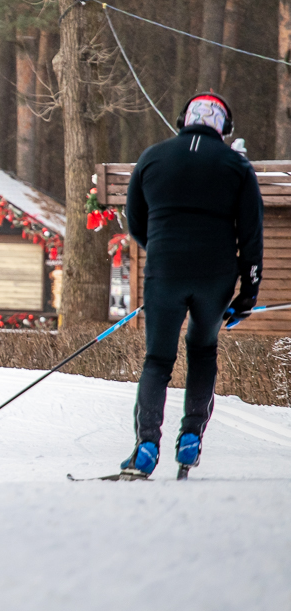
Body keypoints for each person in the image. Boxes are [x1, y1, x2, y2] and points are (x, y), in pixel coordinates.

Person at [122, 92, 263, 476]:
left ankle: (147, 444)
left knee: (157, 360)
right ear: (225, 128)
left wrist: (163, 250)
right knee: (202, 350)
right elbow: (251, 235)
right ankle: (191, 438)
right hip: (216, 276)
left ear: (182, 121)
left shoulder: (152, 157)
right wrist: (247, 295)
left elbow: (135, 220)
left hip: (165, 271)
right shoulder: (236, 165)